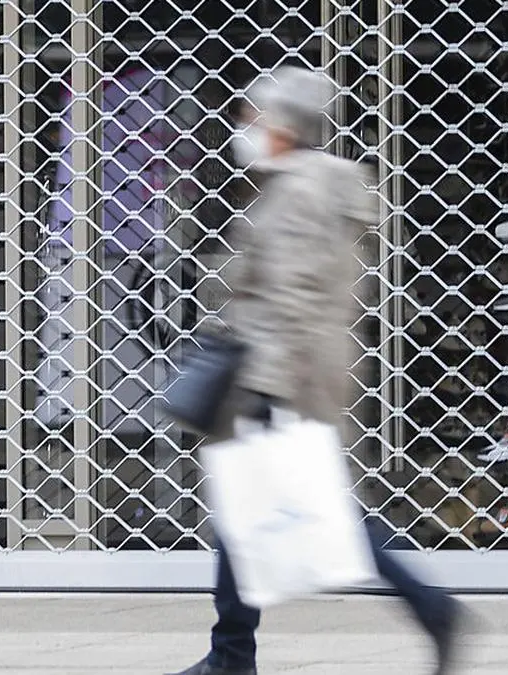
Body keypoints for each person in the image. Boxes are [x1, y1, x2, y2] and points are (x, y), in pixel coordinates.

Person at [169, 67, 466, 675]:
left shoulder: (300, 192)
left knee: (316, 517)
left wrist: (266, 392)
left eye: (254, 117)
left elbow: (296, 300)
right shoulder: (293, 185)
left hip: (279, 379)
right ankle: (232, 654)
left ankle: (431, 606)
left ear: (283, 125)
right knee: (246, 514)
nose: (245, 128)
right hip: (286, 373)